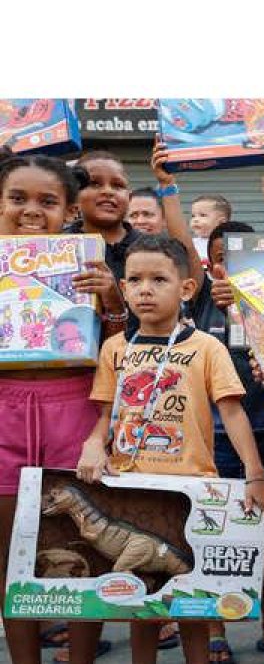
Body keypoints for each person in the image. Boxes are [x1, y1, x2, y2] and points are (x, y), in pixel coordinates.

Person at [75, 234, 264, 664]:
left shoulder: (206, 347)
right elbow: (104, 417)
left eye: (158, 279)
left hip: (192, 494)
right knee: (139, 605)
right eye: (134, 280)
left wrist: (255, 475)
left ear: (186, 289)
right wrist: (94, 445)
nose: (145, 289)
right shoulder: (115, 349)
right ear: (123, 288)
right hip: (132, 493)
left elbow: (234, 414)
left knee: (193, 607)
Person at [0, 154, 127, 664]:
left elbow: (123, 353)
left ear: (70, 211)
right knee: (12, 561)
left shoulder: (88, 267)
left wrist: (113, 300)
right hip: (4, 412)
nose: (32, 211)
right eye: (17, 198)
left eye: (48, 201)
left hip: (74, 408)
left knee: (81, 555)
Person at [189, 220, 264, 663]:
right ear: (207, 265)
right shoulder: (198, 300)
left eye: (241, 259)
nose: (229, 268)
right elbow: (180, 235)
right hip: (215, 436)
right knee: (213, 533)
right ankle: (216, 628)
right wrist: (167, 188)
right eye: (220, 259)